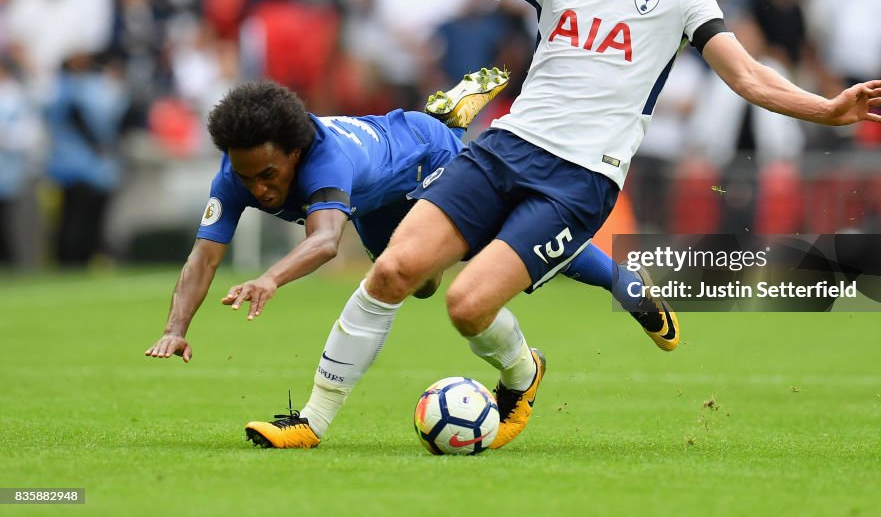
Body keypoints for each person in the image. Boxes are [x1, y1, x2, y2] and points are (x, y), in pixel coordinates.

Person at [243, 0, 881, 451]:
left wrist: (827, 108)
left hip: (579, 179)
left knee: (466, 306)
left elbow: (749, 77)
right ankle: (311, 421)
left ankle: (523, 375)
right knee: (393, 269)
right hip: (504, 147)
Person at [145, 68, 676, 437]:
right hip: (379, 200)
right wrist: (176, 326)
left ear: (296, 153)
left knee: (498, 251)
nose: (258, 190)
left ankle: (621, 282)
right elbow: (203, 256)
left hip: (426, 158)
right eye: (246, 177)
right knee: (419, 284)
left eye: (269, 175)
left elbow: (327, 241)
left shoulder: (324, 164)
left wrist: (270, 279)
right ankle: (450, 114)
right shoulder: (234, 175)